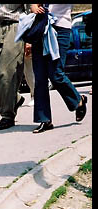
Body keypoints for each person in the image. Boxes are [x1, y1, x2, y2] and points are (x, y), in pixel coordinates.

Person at [29, 4, 88, 133]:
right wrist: (33, 6)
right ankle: (44, 120)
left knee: (56, 74)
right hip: (41, 26)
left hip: (60, 28)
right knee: (40, 77)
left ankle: (78, 100)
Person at [0, 4, 29, 130]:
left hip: (15, 26)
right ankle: (15, 98)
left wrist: (29, 39)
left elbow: (30, 10)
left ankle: (7, 116)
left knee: (5, 74)